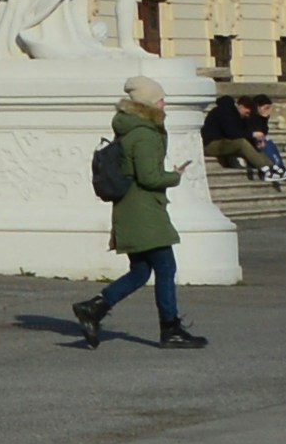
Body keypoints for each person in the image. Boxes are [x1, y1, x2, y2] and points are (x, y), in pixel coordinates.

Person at [69, 76, 201, 348]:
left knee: (141, 271)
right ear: (150, 104)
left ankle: (94, 308)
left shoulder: (130, 129)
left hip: (130, 211)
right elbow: (149, 177)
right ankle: (170, 328)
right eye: (162, 100)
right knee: (166, 268)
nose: (165, 105)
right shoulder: (144, 134)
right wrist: (174, 176)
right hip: (144, 213)